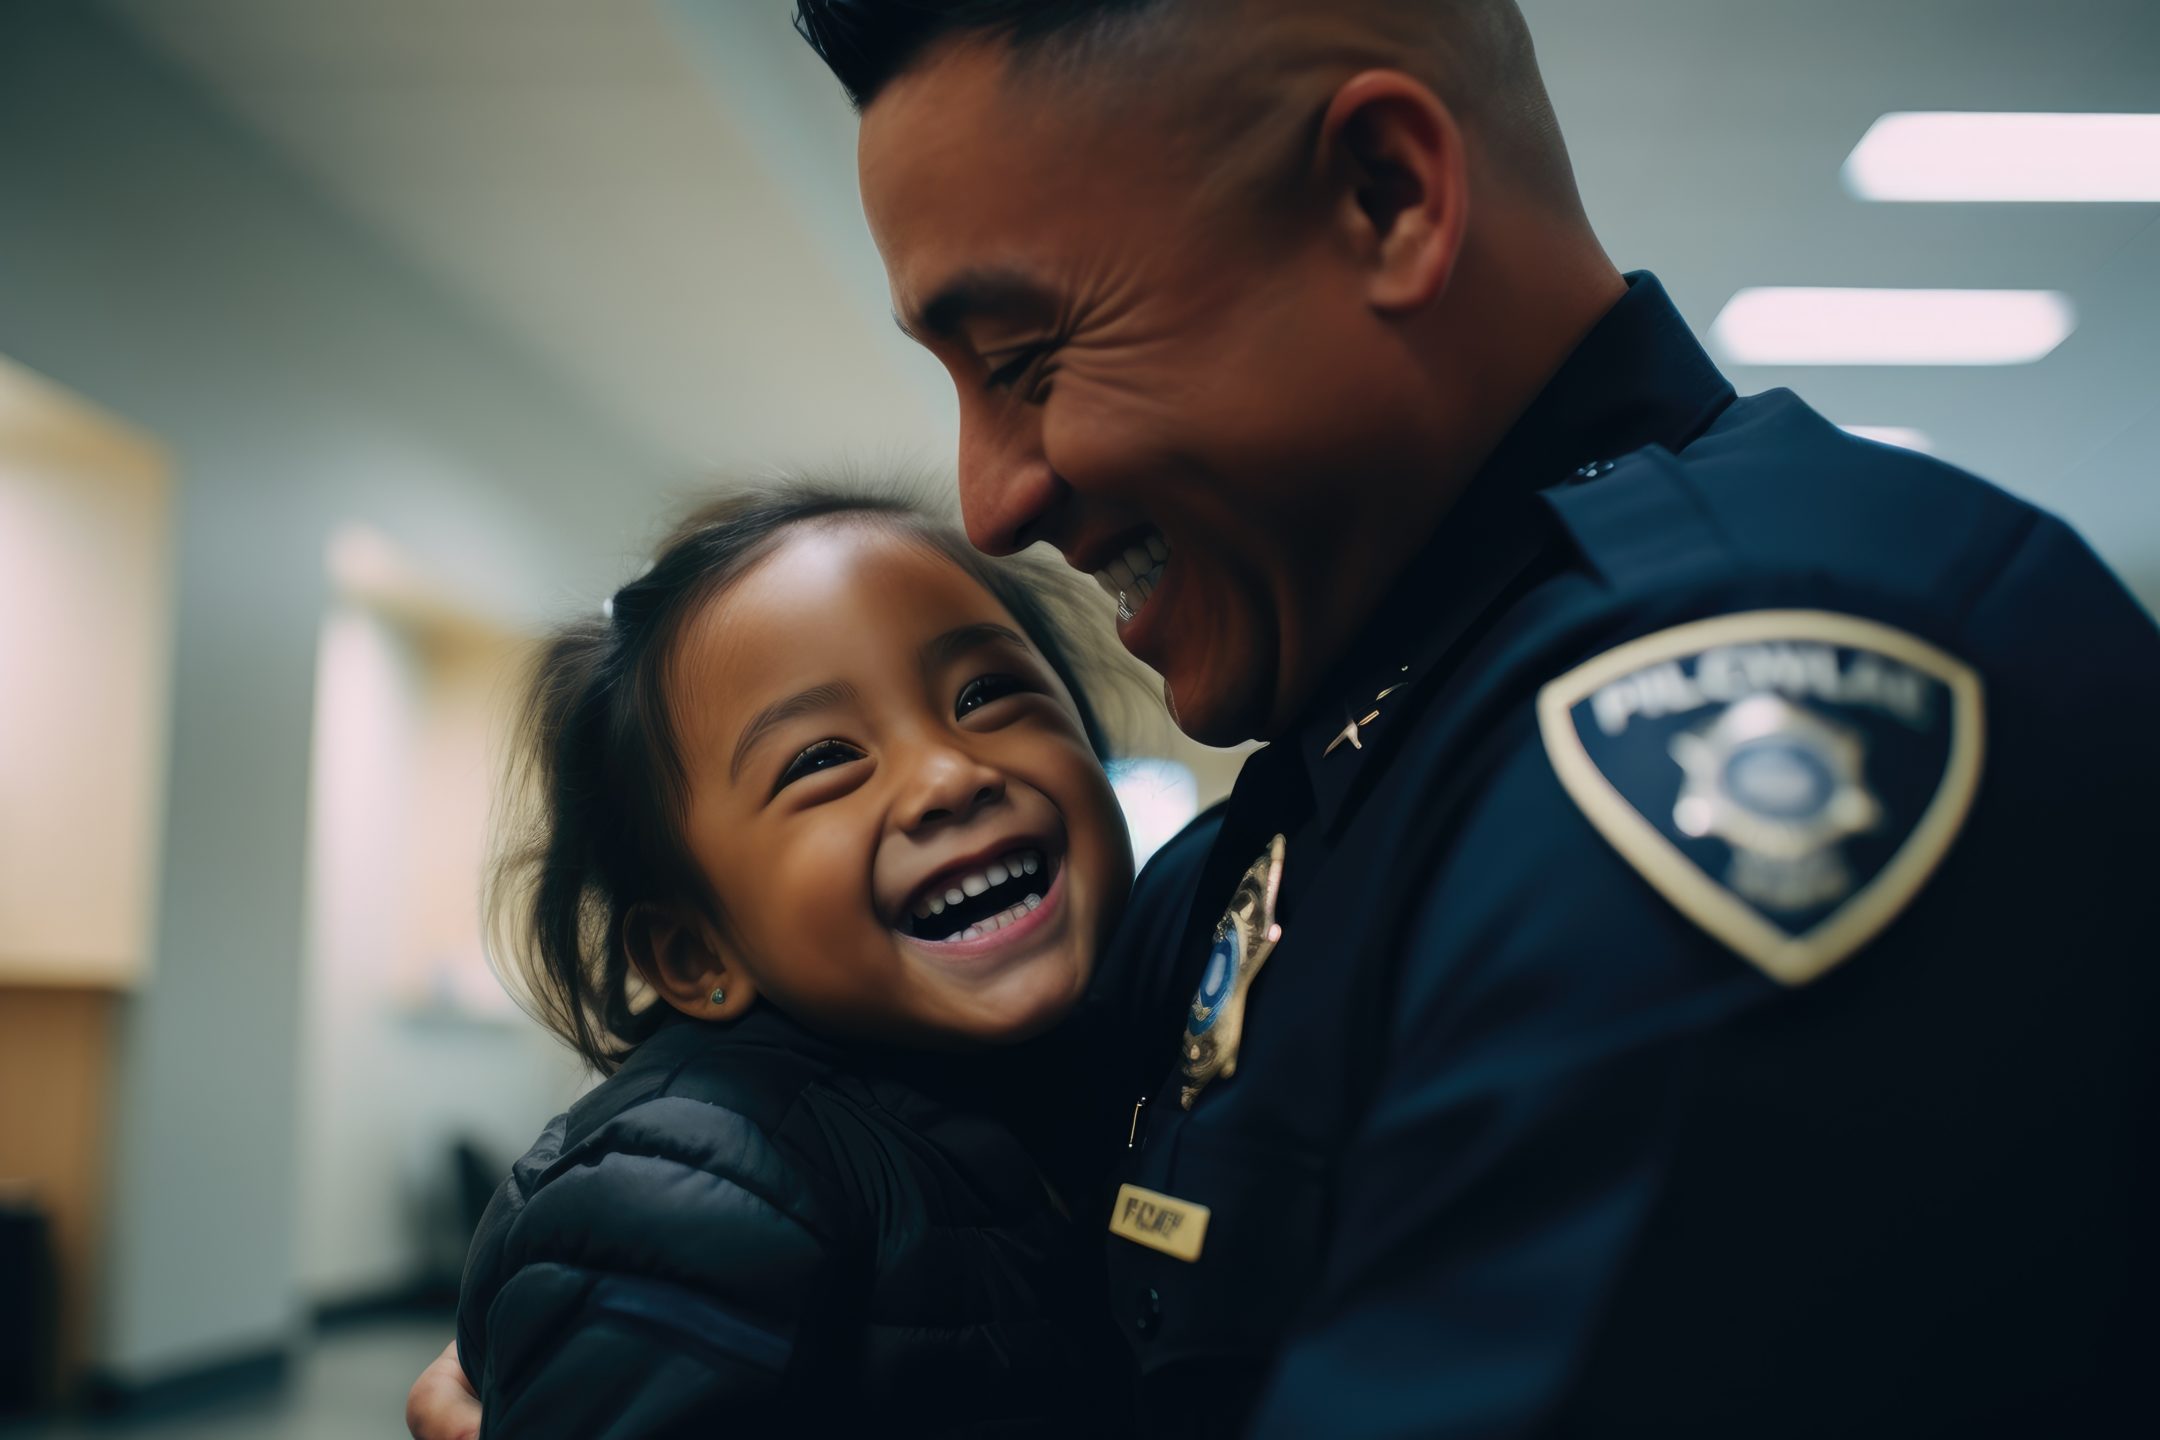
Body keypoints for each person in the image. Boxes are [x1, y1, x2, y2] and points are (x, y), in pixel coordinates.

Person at [416, 1, 2160, 1435]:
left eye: (1025, 362)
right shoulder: (1341, 779)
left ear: (1388, 199)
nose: (994, 496)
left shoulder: (1737, 718)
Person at [446, 485, 1143, 1437]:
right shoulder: (687, 1195)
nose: (949, 774)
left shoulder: (1086, 1074)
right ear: (697, 952)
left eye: (985, 694)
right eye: (821, 760)